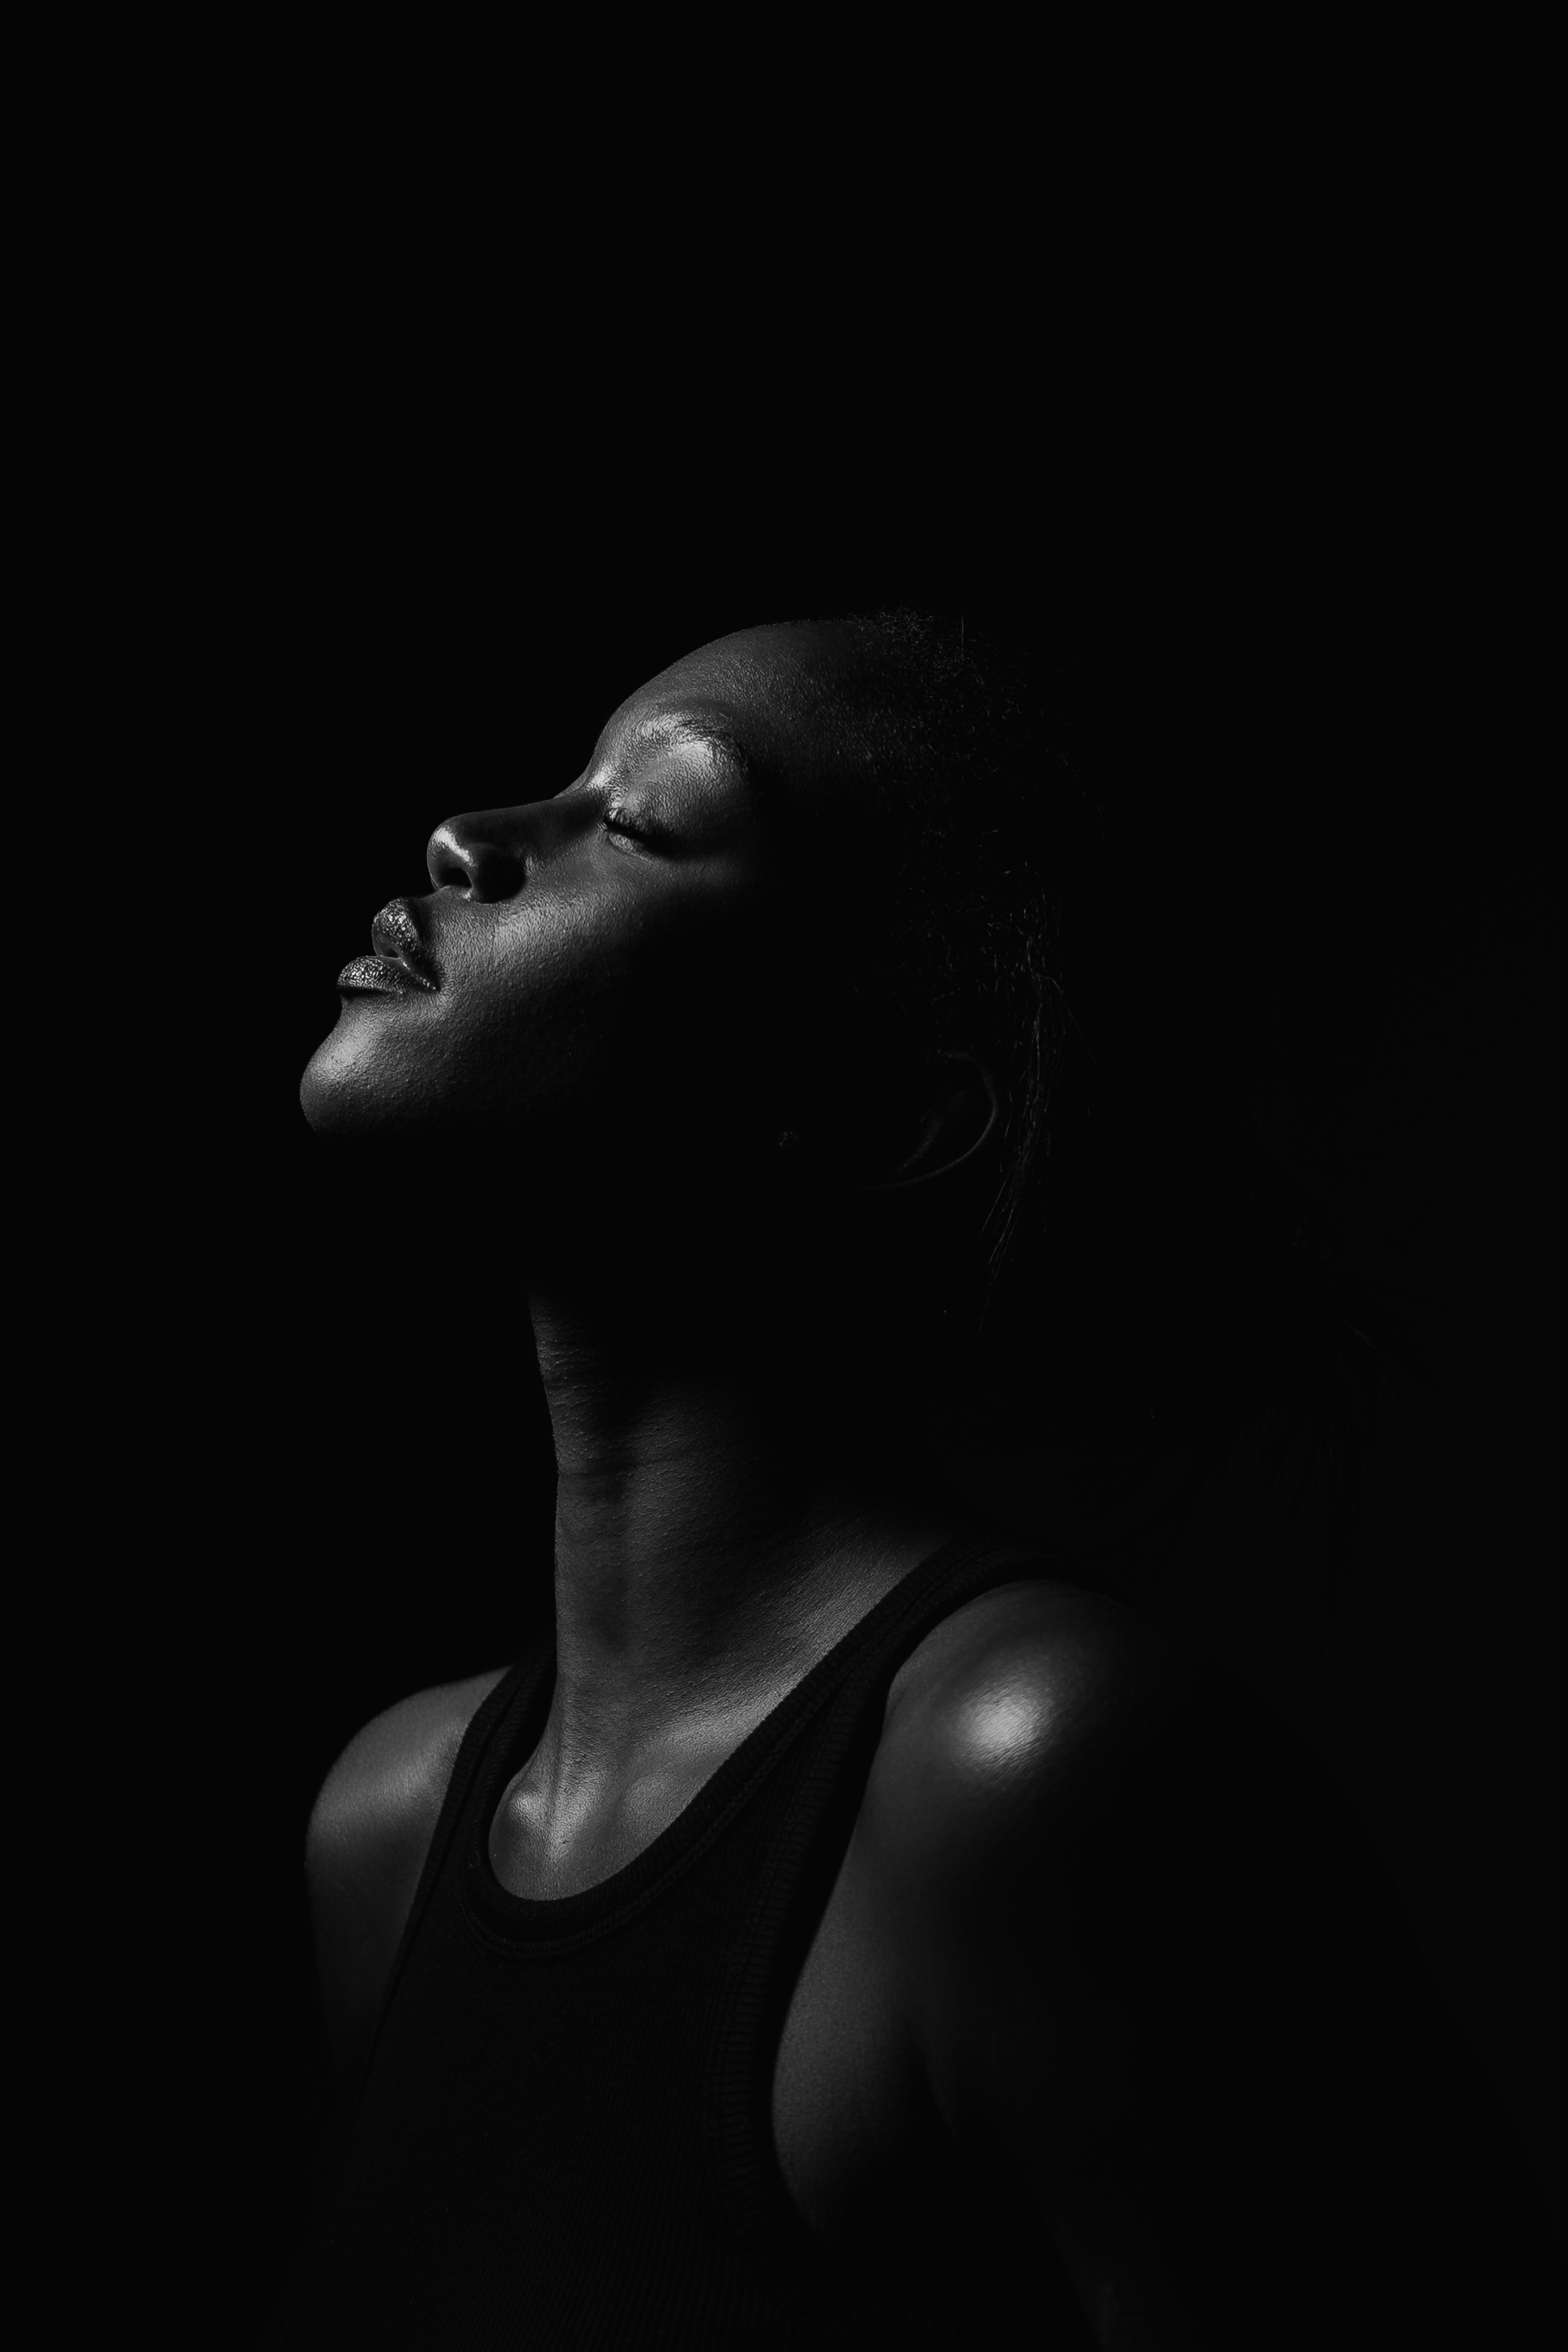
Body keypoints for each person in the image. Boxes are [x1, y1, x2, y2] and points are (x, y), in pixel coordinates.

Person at [276, 611, 1556, 2347]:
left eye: (641, 820)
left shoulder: (1023, 1770)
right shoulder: (387, 1821)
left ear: (880, 1113)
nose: (468, 835)